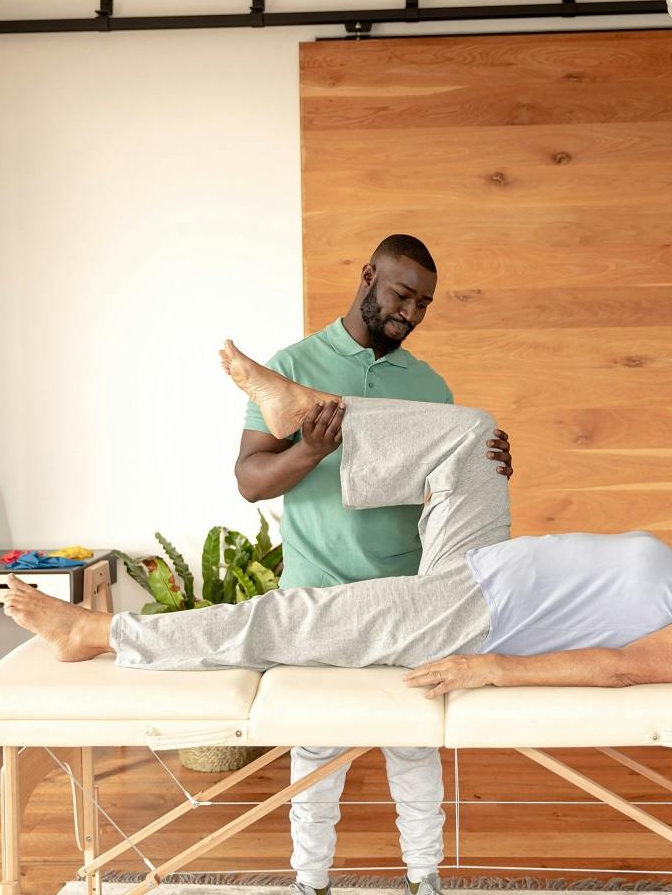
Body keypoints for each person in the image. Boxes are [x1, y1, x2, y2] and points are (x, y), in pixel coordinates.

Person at [4, 342, 672, 692]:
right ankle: (299, 407)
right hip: (485, 566)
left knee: (295, 618)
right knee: (474, 434)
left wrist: (490, 669)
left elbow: (623, 668)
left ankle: (105, 635)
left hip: (478, 613)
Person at [233, 234, 510, 895]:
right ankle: (310, 883)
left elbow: (443, 482)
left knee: (412, 745)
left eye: (422, 304)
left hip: (406, 595)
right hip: (318, 587)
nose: (410, 312)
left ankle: (425, 880)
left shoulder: (427, 383)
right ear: (367, 276)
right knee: (317, 751)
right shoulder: (293, 363)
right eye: (400, 294)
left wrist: (485, 462)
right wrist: (309, 451)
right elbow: (250, 480)